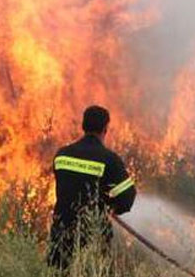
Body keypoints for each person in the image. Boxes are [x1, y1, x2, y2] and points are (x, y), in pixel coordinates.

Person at [47, 105, 137, 271]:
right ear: (105, 129)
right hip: (92, 235)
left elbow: (68, 186)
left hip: (61, 233)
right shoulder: (109, 159)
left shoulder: (61, 155)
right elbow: (128, 196)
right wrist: (109, 206)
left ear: (83, 126)